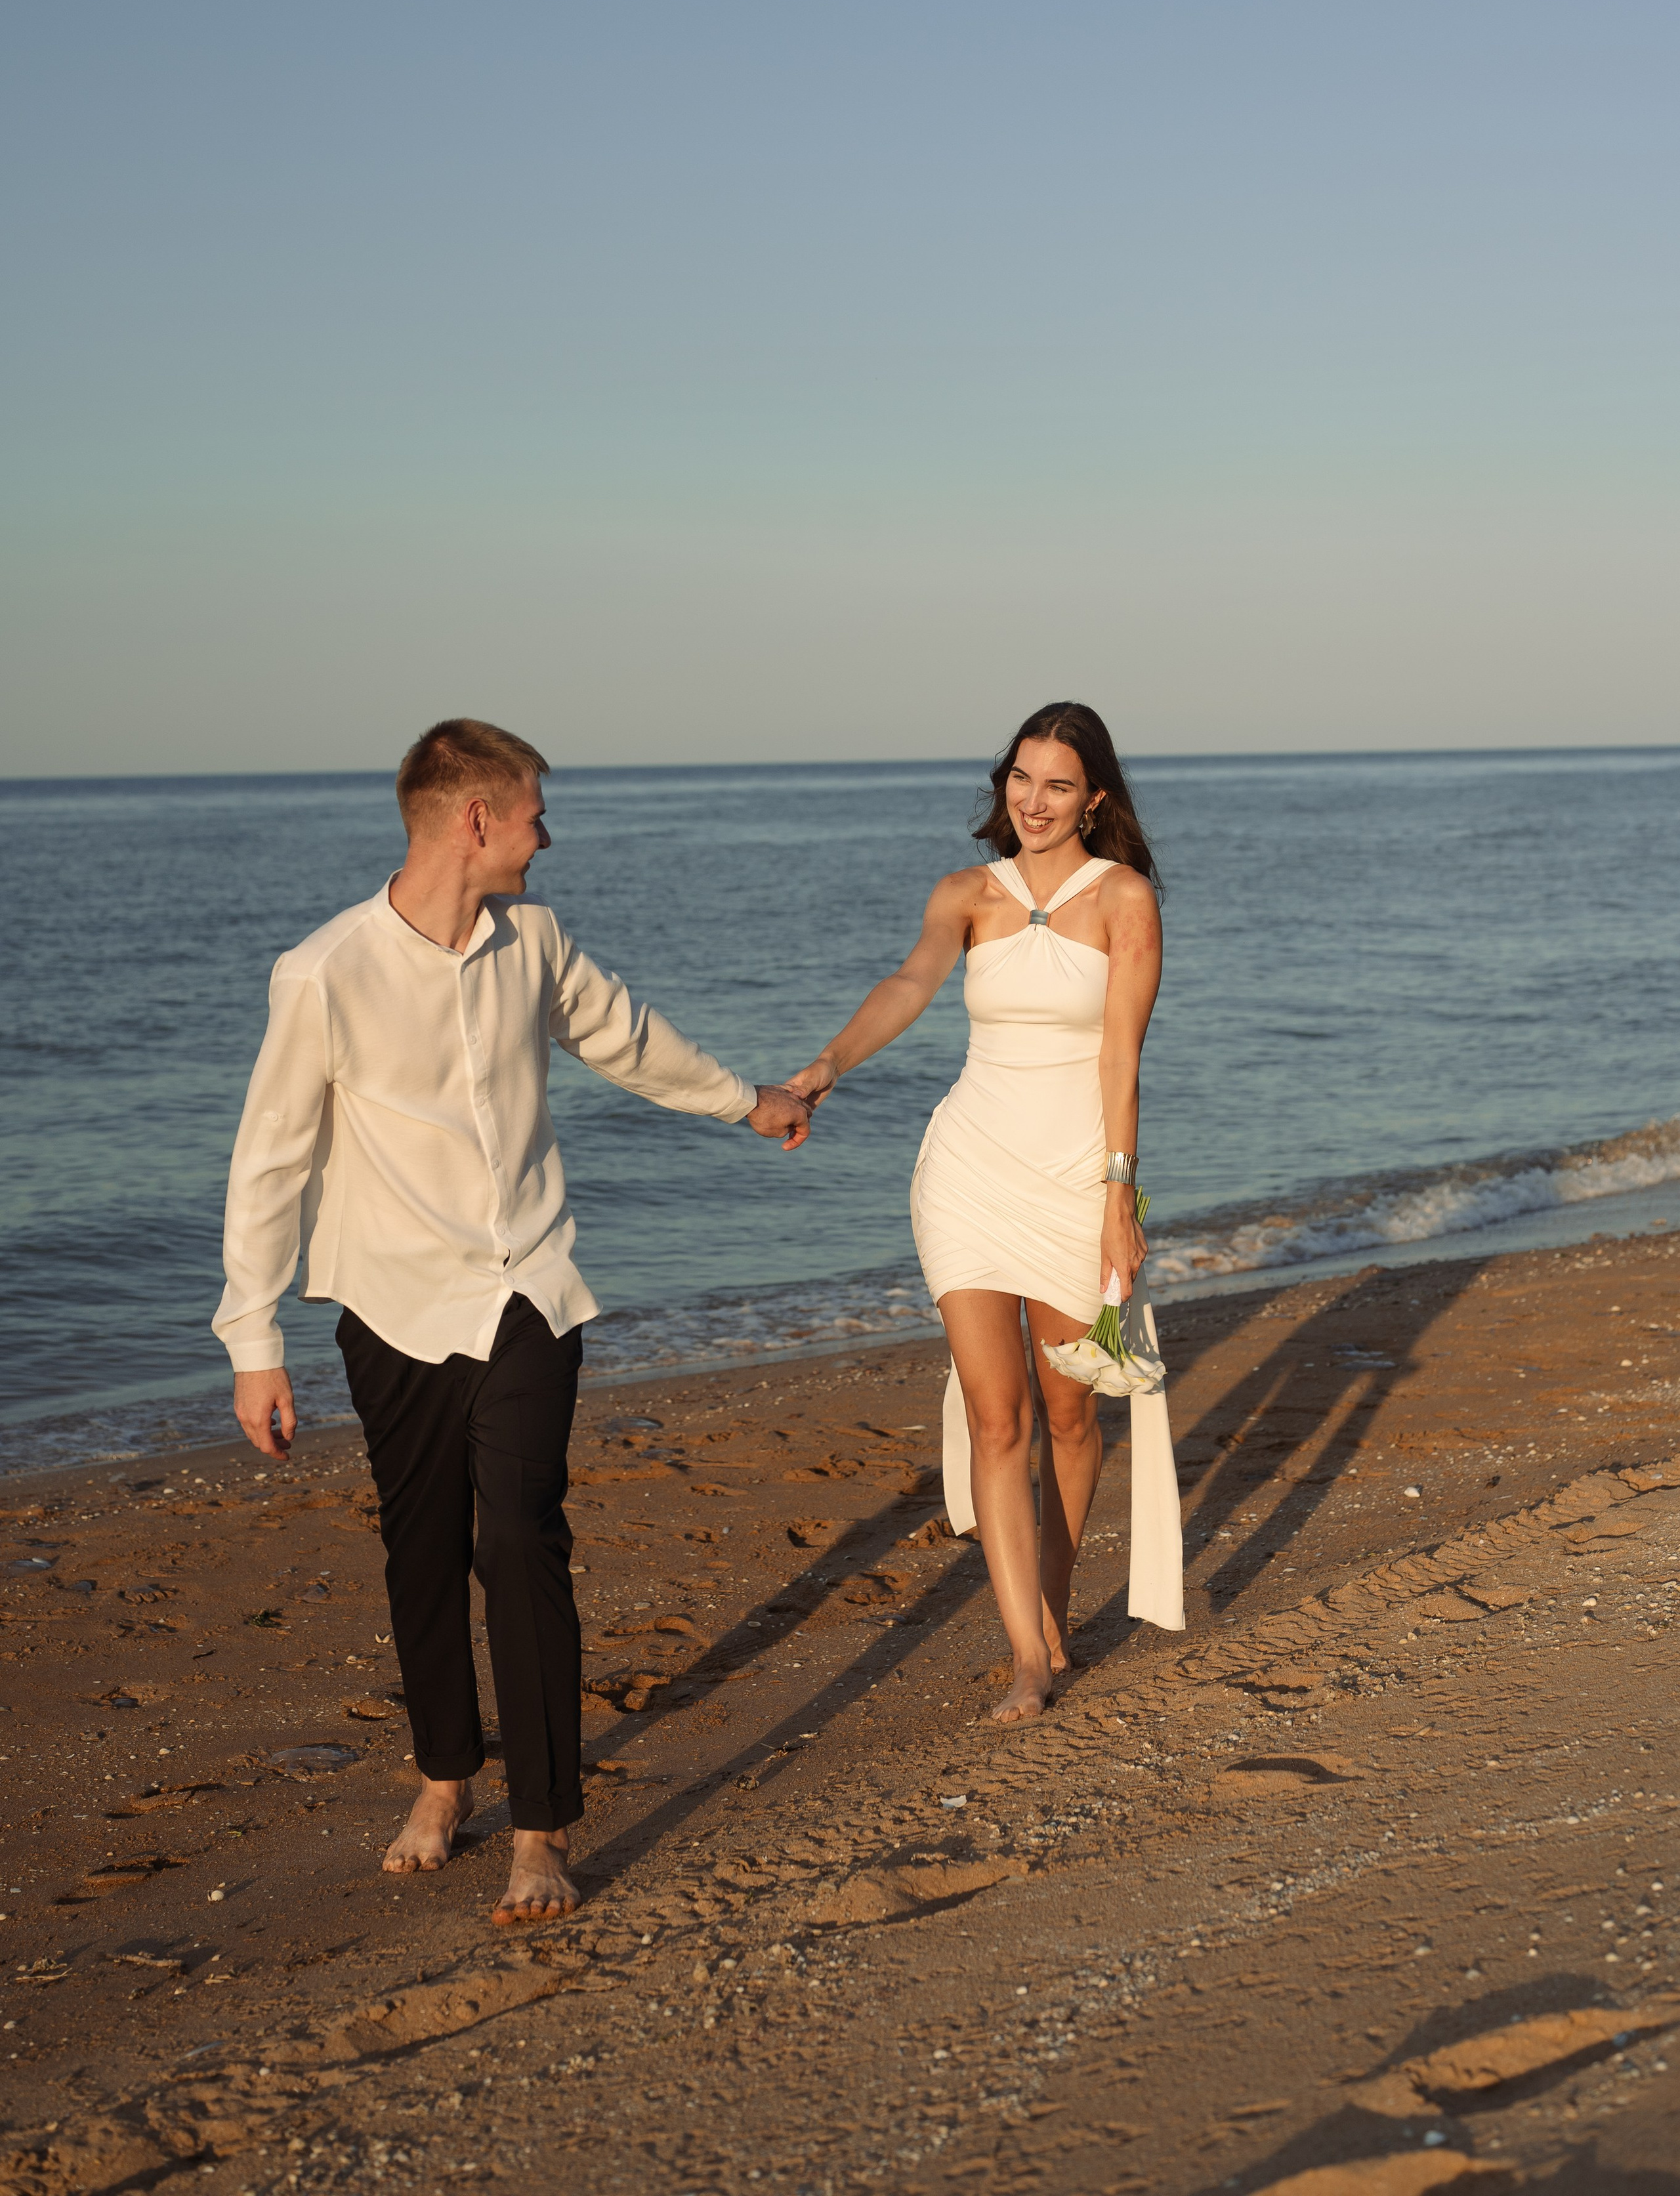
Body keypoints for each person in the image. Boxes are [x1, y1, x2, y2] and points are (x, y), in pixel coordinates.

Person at [213, 718, 810, 1918]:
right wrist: (253, 1343)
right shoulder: (323, 970)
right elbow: (269, 1162)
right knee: (421, 1551)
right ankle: (444, 1773)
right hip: (392, 1306)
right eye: (536, 809)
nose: (550, 831)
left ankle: (541, 1826)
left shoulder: (532, 941)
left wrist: (749, 1102)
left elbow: (625, 1038)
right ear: (473, 819)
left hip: (530, 1288)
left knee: (524, 1538)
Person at [786, 700, 1181, 1723]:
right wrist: (829, 1064)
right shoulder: (967, 893)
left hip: (1073, 1177)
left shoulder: (1122, 899)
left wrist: (1119, 1197)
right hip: (967, 1171)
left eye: (1058, 785)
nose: (1034, 801)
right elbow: (911, 982)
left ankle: (1052, 1602)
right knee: (998, 1415)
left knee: (1069, 1412)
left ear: (1094, 796)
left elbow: (1121, 1058)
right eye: (1021, 779)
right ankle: (1028, 1659)